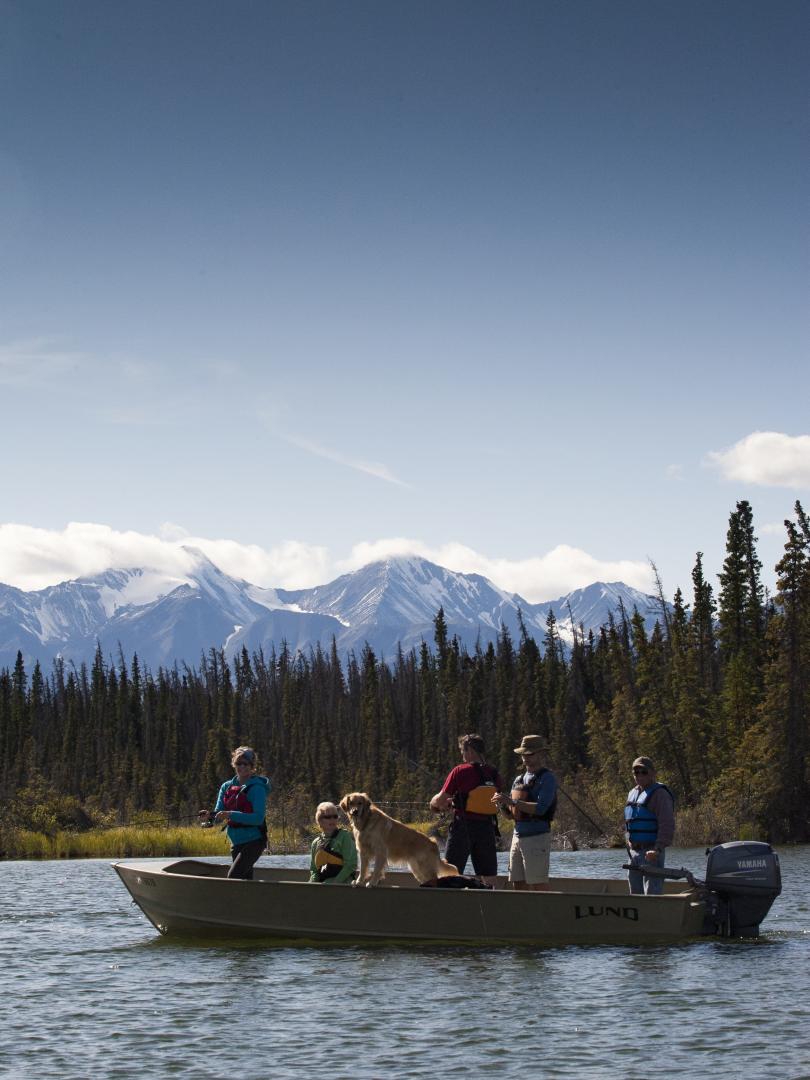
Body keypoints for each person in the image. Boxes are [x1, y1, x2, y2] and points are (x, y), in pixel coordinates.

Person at [429, 734, 503, 886]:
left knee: (449, 872)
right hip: (487, 829)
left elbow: (440, 801)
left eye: (463, 751)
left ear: (469, 750)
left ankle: (449, 906)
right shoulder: (494, 773)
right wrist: (458, 801)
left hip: (463, 828)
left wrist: (433, 803)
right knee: (489, 876)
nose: (462, 755)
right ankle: (490, 903)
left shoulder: (460, 771)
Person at [494, 735, 557, 891]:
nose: (526, 758)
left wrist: (512, 802)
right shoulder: (518, 779)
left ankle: (545, 914)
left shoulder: (547, 778)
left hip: (537, 837)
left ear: (541, 754)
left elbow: (541, 808)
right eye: (524, 754)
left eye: (530, 754)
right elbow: (510, 815)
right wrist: (502, 805)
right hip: (518, 837)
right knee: (518, 883)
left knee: (538, 883)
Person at [199, 746, 270, 880]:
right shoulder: (226, 787)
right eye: (238, 763)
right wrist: (209, 817)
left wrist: (231, 814)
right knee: (245, 880)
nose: (242, 767)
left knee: (234, 877)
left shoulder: (257, 788)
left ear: (252, 766)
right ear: (234, 764)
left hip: (255, 841)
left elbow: (258, 819)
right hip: (236, 842)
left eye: (246, 764)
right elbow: (219, 815)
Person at [624, 755, 675, 895]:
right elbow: (629, 822)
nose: (639, 775)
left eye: (643, 772)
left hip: (651, 853)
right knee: (635, 893)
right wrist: (628, 840)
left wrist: (658, 849)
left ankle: (654, 916)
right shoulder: (632, 793)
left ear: (652, 773)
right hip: (633, 853)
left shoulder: (660, 794)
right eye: (636, 772)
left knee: (652, 893)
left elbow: (667, 824)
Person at [309, 801, 358, 884]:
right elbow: (314, 870)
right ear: (320, 820)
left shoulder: (344, 837)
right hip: (323, 883)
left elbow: (351, 865)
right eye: (328, 817)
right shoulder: (315, 843)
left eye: (335, 816)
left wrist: (335, 882)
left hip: (342, 883)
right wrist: (312, 883)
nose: (332, 819)